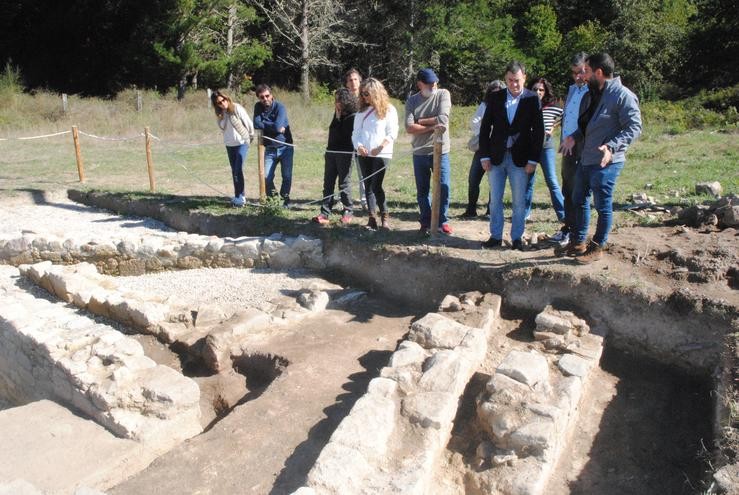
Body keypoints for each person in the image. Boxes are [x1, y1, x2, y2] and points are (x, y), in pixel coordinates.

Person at [560, 53, 642, 263]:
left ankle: (598, 246)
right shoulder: (591, 94)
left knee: (602, 204)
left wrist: (611, 147)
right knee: (578, 198)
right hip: (586, 158)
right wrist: (573, 137)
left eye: (586, 71)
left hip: (608, 161)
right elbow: (586, 126)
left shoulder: (622, 95)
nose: (583, 76)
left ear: (598, 72)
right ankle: (579, 242)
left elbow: (634, 127)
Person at [479, 61, 543, 251]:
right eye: (510, 80)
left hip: (521, 159)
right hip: (496, 156)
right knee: (495, 199)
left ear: (524, 78)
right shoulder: (496, 97)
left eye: (517, 80)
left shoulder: (532, 99)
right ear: (505, 79)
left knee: (518, 201)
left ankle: (516, 237)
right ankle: (496, 236)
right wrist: (484, 156)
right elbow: (485, 128)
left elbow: (538, 132)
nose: (514, 84)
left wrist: (533, 159)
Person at [405, 68, 453, 235]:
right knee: (422, 190)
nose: (433, 85)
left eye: (434, 82)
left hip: (441, 150)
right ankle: (425, 221)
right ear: (420, 84)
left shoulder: (443, 94)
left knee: (444, 187)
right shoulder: (412, 101)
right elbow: (409, 127)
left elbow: (443, 119)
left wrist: (421, 121)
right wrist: (433, 126)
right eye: (428, 83)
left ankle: (442, 221)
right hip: (420, 152)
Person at [352, 78, 399, 231]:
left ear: (375, 92)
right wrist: (359, 147)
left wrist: (381, 146)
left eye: (366, 94)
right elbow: (356, 133)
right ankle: (372, 218)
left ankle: (384, 217)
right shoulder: (361, 112)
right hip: (364, 154)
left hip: (382, 153)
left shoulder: (389, 109)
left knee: (376, 185)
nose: (364, 97)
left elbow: (393, 132)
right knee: (368, 186)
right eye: (362, 94)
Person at [555, 52, 591, 248]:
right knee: (567, 190)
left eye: (582, 72)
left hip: (582, 149)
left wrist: (574, 139)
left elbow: (588, 123)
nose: (578, 76)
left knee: (579, 194)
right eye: (574, 73)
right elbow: (567, 118)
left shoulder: (592, 92)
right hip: (567, 148)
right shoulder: (572, 90)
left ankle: (579, 235)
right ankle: (568, 229)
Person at [523, 77, 565, 228]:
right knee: (527, 182)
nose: (538, 92)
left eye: (541, 90)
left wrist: (553, 127)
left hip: (546, 147)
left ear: (545, 91)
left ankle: (563, 214)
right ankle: (525, 213)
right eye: (535, 89)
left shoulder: (552, 107)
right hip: (528, 148)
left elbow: (565, 116)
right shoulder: (525, 105)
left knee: (552, 181)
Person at [312, 88, 358, 225]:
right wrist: (337, 116)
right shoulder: (337, 114)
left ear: (345, 101)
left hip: (345, 153)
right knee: (328, 183)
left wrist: (339, 118)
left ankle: (348, 210)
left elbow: (344, 135)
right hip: (331, 152)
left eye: (338, 100)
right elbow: (332, 130)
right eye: (335, 100)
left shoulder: (353, 116)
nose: (335, 103)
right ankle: (325, 213)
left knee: (343, 183)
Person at [462, 80, 505, 218]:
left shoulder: (508, 106)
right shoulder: (484, 105)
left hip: (499, 148)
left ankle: (491, 211)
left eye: (498, 92)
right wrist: (486, 130)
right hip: (482, 148)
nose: (496, 95)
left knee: (495, 181)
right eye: (493, 92)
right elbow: (475, 122)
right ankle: (471, 209)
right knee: (473, 179)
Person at [211, 90, 254, 207]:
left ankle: (241, 197)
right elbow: (222, 127)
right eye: (219, 103)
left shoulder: (236, 108)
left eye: (223, 100)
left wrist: (250, 137)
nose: (222, 103)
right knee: (234, 170)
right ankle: (238, 196)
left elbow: (249, 123)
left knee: (237, 169)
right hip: (229, 144)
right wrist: (222, 116)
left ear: (227, 98)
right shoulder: (220, 114)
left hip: (242, 143)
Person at [253, 84, 294, 207]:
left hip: (285, 147)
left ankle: (285, 199)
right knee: (266, 177)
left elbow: (275, 126)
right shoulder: (258, 107)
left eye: (267, 96)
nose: (265, 99)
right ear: (259, 98)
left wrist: (264, 123)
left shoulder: (280, 107)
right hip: (269, 148)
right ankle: (274, 198)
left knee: (286, 176)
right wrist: (274, 126)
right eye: (262, 97)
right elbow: (256, 124)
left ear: (272, 95)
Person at [344, 68, 368, 211]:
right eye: (350, 80)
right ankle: (345, 201)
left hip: (362, 141)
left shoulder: (366, 97)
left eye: (355, 79)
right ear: (346, 83)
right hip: (346, 141)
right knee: (345, 173)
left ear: (360, 81)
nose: (353, 82)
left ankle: (365, 201)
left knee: (363, 173)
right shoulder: (344, 98)